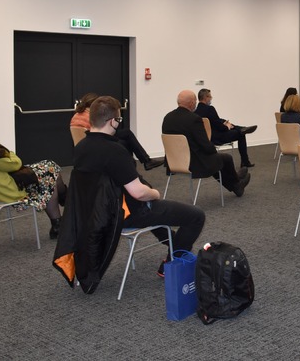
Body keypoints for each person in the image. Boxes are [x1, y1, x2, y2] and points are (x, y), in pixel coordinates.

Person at [74, 96, 205, 276]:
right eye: (118, 119)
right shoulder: (115, 151)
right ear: (112, 121)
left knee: (159, 211)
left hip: (95, 213)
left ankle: (176, 244)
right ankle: (172, 262)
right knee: (195, 215)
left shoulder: (81, 147)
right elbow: (138, 193)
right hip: (123, 214)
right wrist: (155, 193)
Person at [0, 103, 66, 239]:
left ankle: (59, 221)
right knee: (50, 172)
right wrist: (11, 154)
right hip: (4, 190)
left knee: (49, 167)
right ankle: (63, 206)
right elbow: (14, 163)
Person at [162, 90, 250, 198]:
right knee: (224, 158)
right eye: (195, 101)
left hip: (174, 162)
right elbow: (205, 145)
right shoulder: (194, 119)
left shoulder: (167, 118)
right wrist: (213, 150)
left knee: (216, 160)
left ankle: (236, 182)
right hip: (193, 163)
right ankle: (236, 182)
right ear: (191, 103)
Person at [70, 92, 164, 171]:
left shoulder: (76, 116)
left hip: (88, 144)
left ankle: (136, 166)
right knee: (126, 139)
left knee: (126, 136)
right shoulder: (90, 116)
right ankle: (142, 163)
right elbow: (101, 131)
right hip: (97, 142)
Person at [194, 88, 257, 168]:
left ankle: (241, 128)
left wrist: (225, 122)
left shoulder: (195, 112)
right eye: (210, 96)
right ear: (206, 97)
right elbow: (218, 126)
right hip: (217, 138)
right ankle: (245, 161)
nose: (211, 98)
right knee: (241, 134)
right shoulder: (210, 109)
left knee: (230, 126)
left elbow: (215, 121)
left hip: (207, 139)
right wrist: (227, 127)